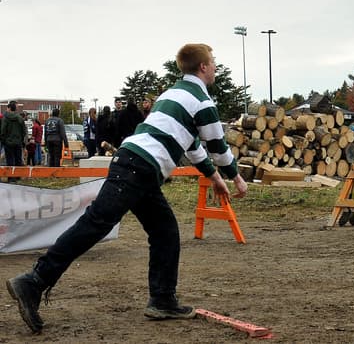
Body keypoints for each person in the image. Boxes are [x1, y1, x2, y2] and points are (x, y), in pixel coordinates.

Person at [6, 43, 248, 334]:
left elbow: (193, 143)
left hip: (136, 164)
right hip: (139, 168)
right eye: (214, 62)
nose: (216, 67)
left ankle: (162, 300)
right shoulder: (203, 102)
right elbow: (218, 149)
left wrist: (214, 177)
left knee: (164, 232)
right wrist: (235, 176)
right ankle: (33, 282)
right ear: (203, 67)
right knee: (94, 224)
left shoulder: (172, 95)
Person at [1, 100, 27, 180]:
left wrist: (3, 140)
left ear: (9, 108)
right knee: (18, 159)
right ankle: (18, 176)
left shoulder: (5, 118)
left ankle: (11, 177)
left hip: (8, 142)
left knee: (10, 160)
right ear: (15, 108)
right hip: (18, 142)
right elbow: (24, 131)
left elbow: (3, 131)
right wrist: (22, 140)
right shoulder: (20, 118)